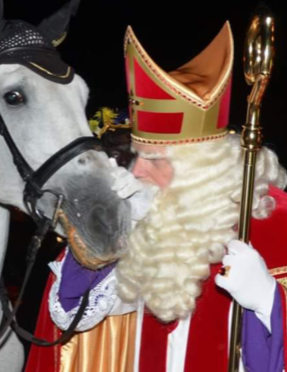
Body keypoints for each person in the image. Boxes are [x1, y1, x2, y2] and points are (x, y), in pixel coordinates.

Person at [25, 22, 287, 372]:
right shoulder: (152, 222)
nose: (135, 172)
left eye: (154, 159)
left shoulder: (276, 223)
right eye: (138, 156)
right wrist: (112, 233)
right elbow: (73, 313)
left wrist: (268, 301)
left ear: (202, 169)